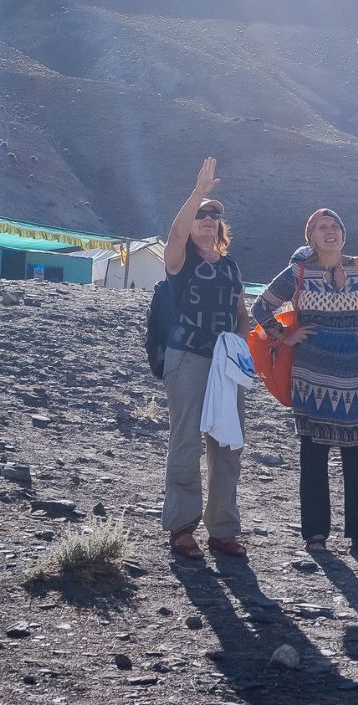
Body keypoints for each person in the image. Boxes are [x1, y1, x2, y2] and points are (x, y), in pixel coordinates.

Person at [250, 209, 358, 556]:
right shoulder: (299, 271)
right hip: (311, 377)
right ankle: (315, 535)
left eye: (335, 226)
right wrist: (284, 337)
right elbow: (261, 306)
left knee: (357, 455)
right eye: (322, 227)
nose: (330, 232)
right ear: (311, 237)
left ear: (343, 233)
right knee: (313, 454)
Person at [161, 157, 251, 560]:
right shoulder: (182, 260)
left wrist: (243, 348)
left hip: (225, 364)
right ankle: (182, 527)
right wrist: (197, 194)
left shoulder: (230, 266)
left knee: (227, 442)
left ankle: (223, 529)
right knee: (187, 441)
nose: (207, 220)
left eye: (213, 216)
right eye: (201, 216)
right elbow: (175, 234)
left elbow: (240, 313)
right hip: (188, 358)